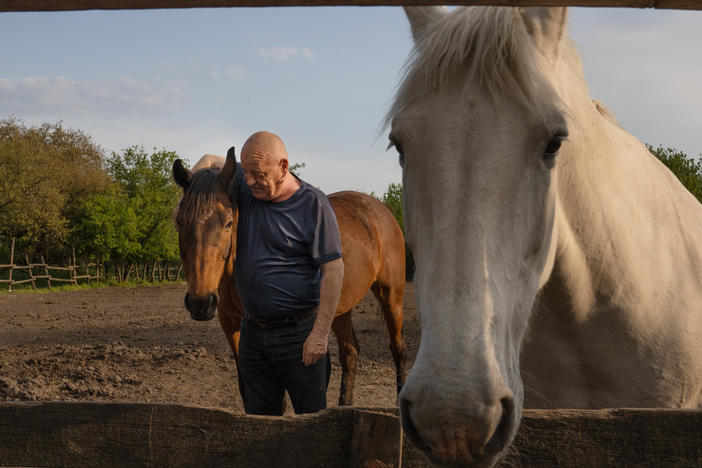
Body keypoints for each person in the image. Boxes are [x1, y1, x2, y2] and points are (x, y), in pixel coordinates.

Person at [230, 131, 344, 415]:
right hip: (253, 334)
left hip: (300, 335)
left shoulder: (313, 204)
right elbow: (210, 161)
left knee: (311, 419)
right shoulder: (248, 190)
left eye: (257, 174)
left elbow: (333, 270)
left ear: (283, 166)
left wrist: (320, 334)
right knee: (258, 420)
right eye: (245, 173)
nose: (249, 182)